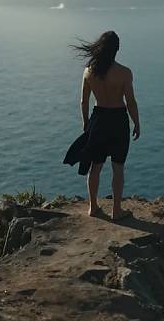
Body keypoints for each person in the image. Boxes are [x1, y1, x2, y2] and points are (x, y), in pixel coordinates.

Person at [69, 31, 140, 221]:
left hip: (98, 119)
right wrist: (137, 123)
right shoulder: (124, 73)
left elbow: (84, 101)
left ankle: (93, 207)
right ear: (117, 49)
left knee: (96, 166)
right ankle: (116, 211)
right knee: (118, 168)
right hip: (118, 120)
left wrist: (86, 123)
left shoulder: (89, 71)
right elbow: (131, 102)